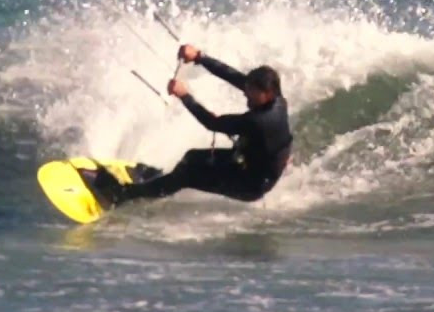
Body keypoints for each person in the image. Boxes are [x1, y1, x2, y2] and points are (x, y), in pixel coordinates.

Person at [92, 44, 293, 206]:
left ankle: (123, 194)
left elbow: (212, 123)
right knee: (192, 157)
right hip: (247, 161)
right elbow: (232, 75)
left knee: (187, 175)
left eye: (250, 91)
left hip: (251, 183)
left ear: (266, 93)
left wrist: (184, 95)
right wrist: (199, 57)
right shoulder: (275, 98)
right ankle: (161, 181)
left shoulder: (261, 121)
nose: (245, 93)